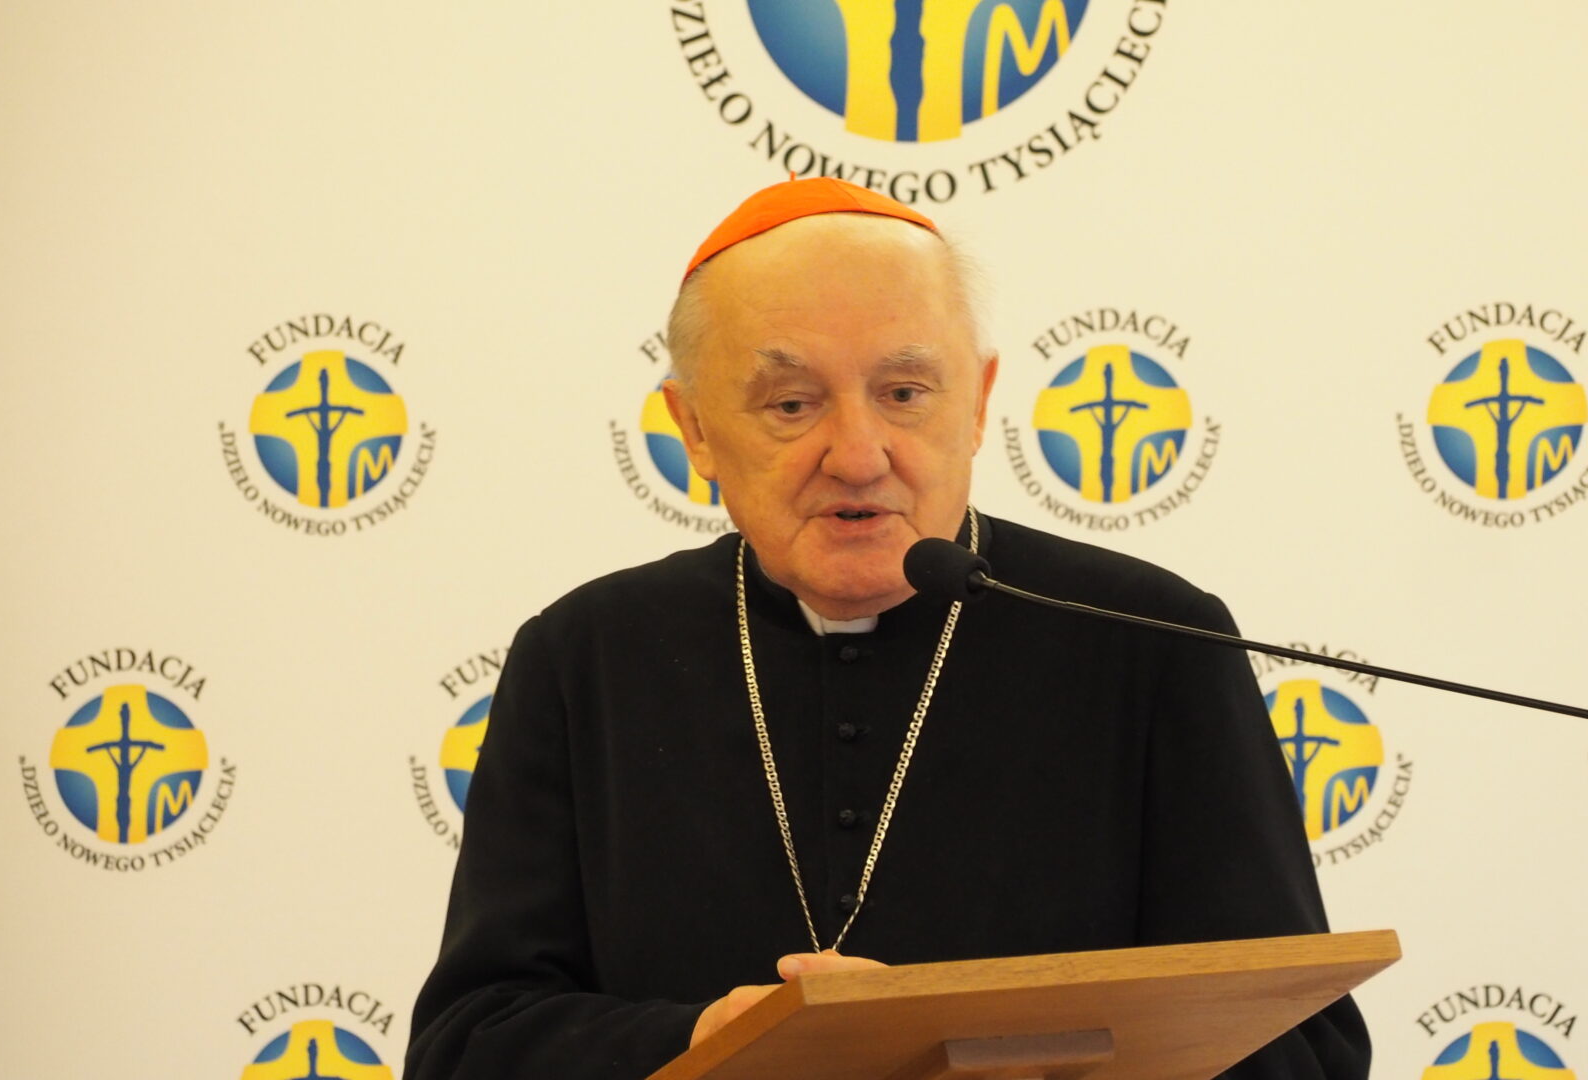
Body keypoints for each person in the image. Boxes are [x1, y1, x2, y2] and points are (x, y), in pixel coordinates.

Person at [406, 179, 1369, 1079]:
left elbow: (1303, 1041)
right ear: (693, 428)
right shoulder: (583, 658)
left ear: (979, 401)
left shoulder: (1154, 642)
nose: (859, 456)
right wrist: (701, 1046)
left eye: (905, 394)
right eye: (792, 404)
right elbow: (466, 1042)